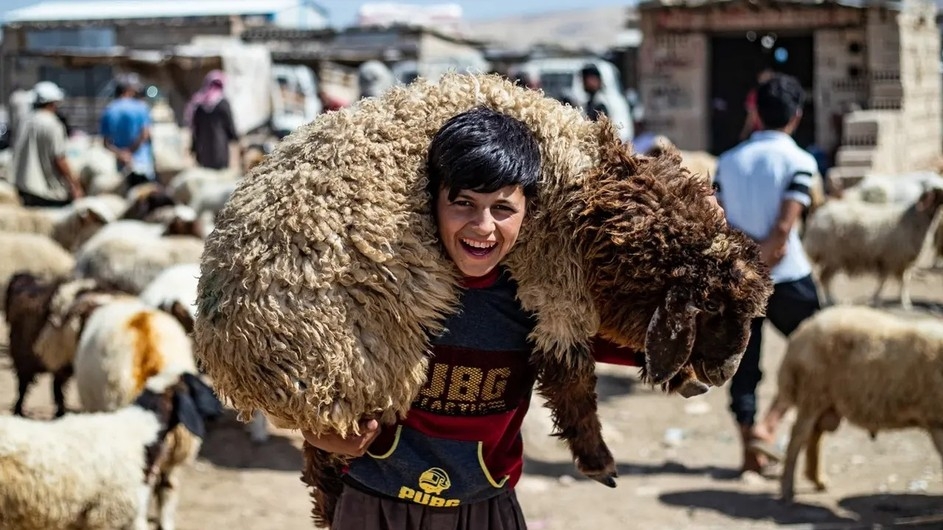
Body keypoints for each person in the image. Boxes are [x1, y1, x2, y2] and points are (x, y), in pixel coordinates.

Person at [301, 107, 643, 529]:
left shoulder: (541, 303)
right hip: (376, 507)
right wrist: (322, 432)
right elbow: (290, 375)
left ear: (529, 212)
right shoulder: (380, 286)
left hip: (483, 509)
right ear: (433, 201)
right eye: (463, 203)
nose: (483, 227)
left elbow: (653, 348)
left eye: (502, 207)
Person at [713, 73, 822, 475]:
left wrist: (747, 268)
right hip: (789, 277)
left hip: (740, 279)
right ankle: (772, 425)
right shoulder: (801, 162)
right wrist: (767, 262)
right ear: (797, 115)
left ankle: (749, 454)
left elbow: (723, 226)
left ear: (755, 113)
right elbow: (782, 230)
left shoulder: (727, 162)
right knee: (817, 353)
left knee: (744, 367)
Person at [12, 81, 83, 207]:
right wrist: (75, 184)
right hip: (49, 194)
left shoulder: (26, 121)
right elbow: (60, 159)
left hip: (25, 191)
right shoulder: (53, 124)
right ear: (53, 103)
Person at [100, 74, 155, 189]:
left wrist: (121, 154)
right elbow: (145, 134)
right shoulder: (141, 107)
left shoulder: (108, 110)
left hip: (122, 167)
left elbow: (106, 142)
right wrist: (130, 152)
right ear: (128, 90)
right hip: (142, 165)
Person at [186, 70, 240, 171]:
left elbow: (195, 129)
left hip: (203, 148)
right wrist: (235, 137)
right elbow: (230, 124)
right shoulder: (223, 103)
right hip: (220, 146)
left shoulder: (199, 105)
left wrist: (194, 147)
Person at [739, 68, 775, 141]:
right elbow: (751, 116)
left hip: (769, 133)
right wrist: (745, 132)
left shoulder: (775, 95)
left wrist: (744, 133)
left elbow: (751, 116)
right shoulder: (754, 94)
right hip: (761, 133)